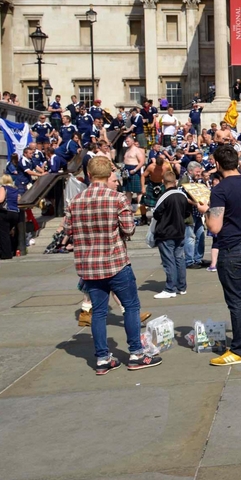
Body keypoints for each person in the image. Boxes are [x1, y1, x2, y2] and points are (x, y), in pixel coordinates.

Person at [61, 156, 161, 374]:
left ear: (89, 175)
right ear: (108, 176)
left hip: (89, 265)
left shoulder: (75, 201)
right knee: (131, 307)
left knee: (98, 312)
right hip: (115, 261)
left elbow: (67, 231)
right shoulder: (116, 198)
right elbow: (128, 229)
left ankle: (102, 358)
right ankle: (136, 353)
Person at [196, 145, 241, 366]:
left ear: (217, 164)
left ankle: (237, 349)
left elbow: (215, 227)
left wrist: (205, 211)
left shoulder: (220, 190)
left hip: (231, 249)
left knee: (236, 300)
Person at [152, 171, 192, 299]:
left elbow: (156, 214)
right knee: (179, 259)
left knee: (169, 261)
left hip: (165, 232)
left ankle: (170, 288)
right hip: (179, 231)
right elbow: (187, 213)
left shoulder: (164, 196)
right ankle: (182, 286)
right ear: (175, 181)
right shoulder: (182, 196)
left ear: (163, 182)